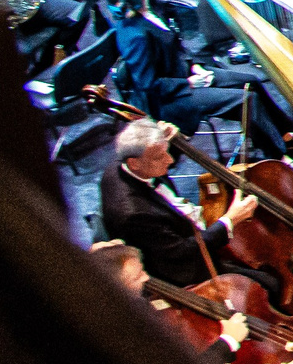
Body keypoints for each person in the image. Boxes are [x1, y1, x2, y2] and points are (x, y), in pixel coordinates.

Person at [99, 0, 293, 158]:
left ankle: (286, 134)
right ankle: (279, 157)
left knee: (250, 80)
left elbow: (177, 47)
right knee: (246, 100)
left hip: (185, 74)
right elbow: (148, 84)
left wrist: (195, 65)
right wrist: (189, 82)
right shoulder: (135, 36)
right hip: (171, 98)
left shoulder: (151, 11)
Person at [98, 118, 269, 292]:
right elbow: (182, 250)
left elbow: (159, 159)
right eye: (160, 156)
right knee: (267, 284)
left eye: (167, 151)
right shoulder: (134, 214)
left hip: (181, 224)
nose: (170, 160)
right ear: (134, 163)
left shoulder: (126, 163)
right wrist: (230, 220)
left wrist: (173, 140)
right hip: (183, 269)